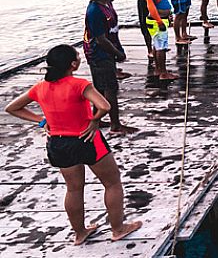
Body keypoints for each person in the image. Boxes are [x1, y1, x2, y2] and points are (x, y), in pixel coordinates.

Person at [5, 45, 142, 244]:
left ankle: (80, 233)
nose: (79, 58)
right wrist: (95, 120)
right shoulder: (79, 84)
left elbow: (12, 107)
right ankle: (118, 229)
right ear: (73, 64)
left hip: (58, 143)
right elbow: (105, 105)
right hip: (87, 140)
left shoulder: (40, 87)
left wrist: (42, 121)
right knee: (112, 183)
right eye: (78, 57)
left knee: (74, 189)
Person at [84, 0, 136, 134]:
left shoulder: (107, 5)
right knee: (109, 88)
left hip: (107, 52)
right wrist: (118, 53)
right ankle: (115, 125)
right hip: (99, 54)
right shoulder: (95, 11)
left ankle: (96, 120)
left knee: (100, 88)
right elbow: (101, 39)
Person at [145, 0, 178, 80]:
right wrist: (159, 21)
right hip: (156, 21)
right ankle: (163, 73)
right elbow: (151, 6)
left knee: (157, 45)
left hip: (160, 19)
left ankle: (158, 69)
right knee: (161, 48)